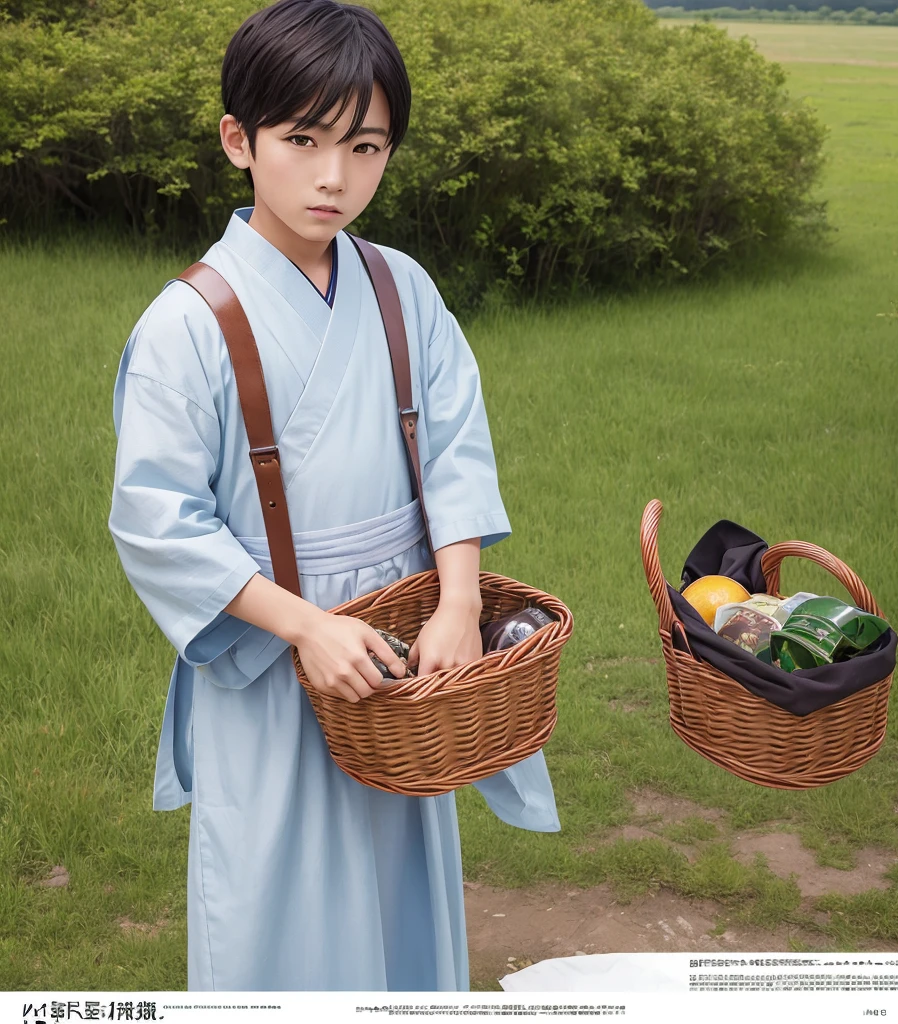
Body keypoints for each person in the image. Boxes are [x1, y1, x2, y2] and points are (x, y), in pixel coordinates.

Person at [108, 0, 559, 992]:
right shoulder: (186, 326)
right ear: (240, 139)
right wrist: (306, 628)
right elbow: (157, 521)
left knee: (402, 904)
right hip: (275, 658)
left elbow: (453, 454)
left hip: (404, 659)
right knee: (276, 915)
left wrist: (455, 601)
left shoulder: (404, 289)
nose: (332, 177)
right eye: (301, 140)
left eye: (364, 146)